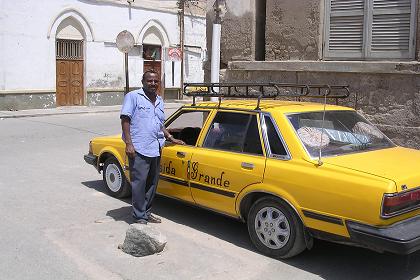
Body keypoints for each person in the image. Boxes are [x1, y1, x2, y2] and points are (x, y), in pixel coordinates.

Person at [120, 70, 184, 224]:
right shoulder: (133, 97)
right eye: (150, 81)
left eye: (156, 81)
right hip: (139, 148)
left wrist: (170, 137)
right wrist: (129, 143)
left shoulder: (160, 100)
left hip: (156, 147)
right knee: (139, 184)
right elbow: (125, 120)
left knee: (151, 184)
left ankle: (146, 213)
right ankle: (139, 216)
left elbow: (159, 123)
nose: (153, 84)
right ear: (143, 81)